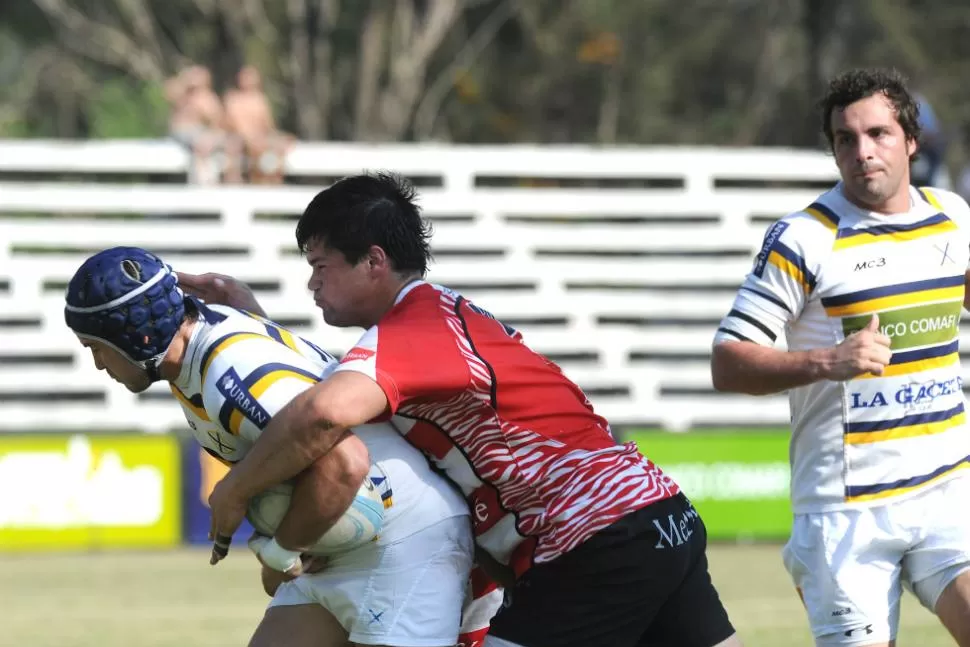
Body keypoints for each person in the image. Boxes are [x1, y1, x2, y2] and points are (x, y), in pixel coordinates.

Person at [177, 173, 742, 647]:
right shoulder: (430, 322)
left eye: (322, 266)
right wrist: (253, 321)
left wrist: (235, 492)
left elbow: (323, 413)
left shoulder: (415, 326)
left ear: (373, 262)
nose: (311, 283)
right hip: (658, 517)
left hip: (595, 538)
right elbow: (337, 383)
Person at [63, 246, 493, 647]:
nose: (99, 364)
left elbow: (345, 463)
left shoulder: (228, 369)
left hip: (405, 545)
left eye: (97, 349)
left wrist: (281, 551)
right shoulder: (194, 354)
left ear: (135, 338)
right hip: (340, 548)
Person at [711, 67, 970, 647]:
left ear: (911, 140)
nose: (862, 152)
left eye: (878, 134)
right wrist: (829, 361)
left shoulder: (953, 216)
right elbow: (727, 362)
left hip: (948, 488)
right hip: (846, 514)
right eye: (845, 139)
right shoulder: (803, 239)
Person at [224, 65, 295, 184]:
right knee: (254, 147)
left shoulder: (260, 99)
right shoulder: (233, 99)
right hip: (241, 138)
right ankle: (255, 180)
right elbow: (231, 124)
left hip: (259, 138)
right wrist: (250, 137)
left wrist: (277, 137)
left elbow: (268, 125)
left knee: (282, 144)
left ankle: (274, 181)